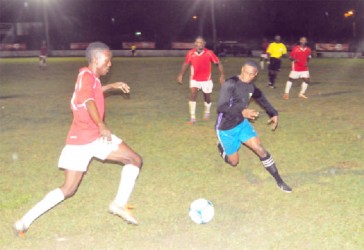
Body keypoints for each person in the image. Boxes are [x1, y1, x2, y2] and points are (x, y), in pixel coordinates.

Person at [14, 42, 142, 237]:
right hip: (89, 136)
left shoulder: (91, 78)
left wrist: (112, 86)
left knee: (133, 160)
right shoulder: (86, 76)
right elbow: (88, 100)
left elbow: (91, 93)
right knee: (69, 188)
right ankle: (25, 221)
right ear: (96, 60)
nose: (110, 65)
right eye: (107, 61)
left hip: (81, 138)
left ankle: (23, 222)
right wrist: (100, 124)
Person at [215, 60, 292, 193]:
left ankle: (279, 181)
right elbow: (221, 107)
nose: (247, 76)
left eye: (251, 74)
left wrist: (273, 113)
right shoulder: (230, 83)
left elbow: (261, 98)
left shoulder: (251, 87)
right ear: (242, 70)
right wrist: (241, 111)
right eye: (245, 73)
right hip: (226, 128)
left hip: (242, 124)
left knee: (260, 149)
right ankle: (221, 147)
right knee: (234, 162)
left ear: (255, 74)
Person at [177, 36, 225, 124]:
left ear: (204, 44)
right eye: (198, 42)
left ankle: (207, 111)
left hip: (206, 80)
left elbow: (218, 63)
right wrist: (181, 74)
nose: (200, 44)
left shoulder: (209, 53)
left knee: (207, 97)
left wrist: (221, 75)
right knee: (193, 94)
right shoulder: (190, 53)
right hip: (194, 79)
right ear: (195, 44)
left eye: (202, 42)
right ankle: (192, 117)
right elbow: (185, 64)